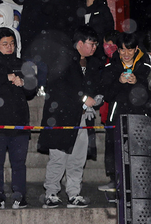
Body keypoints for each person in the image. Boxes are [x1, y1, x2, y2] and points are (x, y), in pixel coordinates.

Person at [40, 30, 110, 208]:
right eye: (91, 43)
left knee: (78, 158)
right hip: (60, 117)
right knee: (58, 156)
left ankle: (73, 193)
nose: (94, 47)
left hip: (83, 117)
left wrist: (96, 97)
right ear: (79, 43)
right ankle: (51, 192)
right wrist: (83, 98)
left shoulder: (93, 63)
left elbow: (96, 85)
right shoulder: (63, 59)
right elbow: (58, 87)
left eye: (96, 44)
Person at [0, 27, 37, 209]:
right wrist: (6, 77)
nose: (9, 47)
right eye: (5, 44)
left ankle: (20, 196)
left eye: (12, 43)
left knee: (19, 163)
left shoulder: (21, 63)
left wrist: (24, 83)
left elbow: (31, 90)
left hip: (19, 121)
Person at [100, 33, 151, 195]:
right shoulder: (111, 67)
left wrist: (138, 82)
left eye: (130, 50)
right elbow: (106, 94)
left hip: (139, 115)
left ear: (136, 49)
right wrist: (119, 82)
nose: (126, 54)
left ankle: (140, 181)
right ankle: (114, 179)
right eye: (122, 50)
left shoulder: (145, 67)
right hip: (117, 114)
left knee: (139, 148)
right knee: (114, 147)